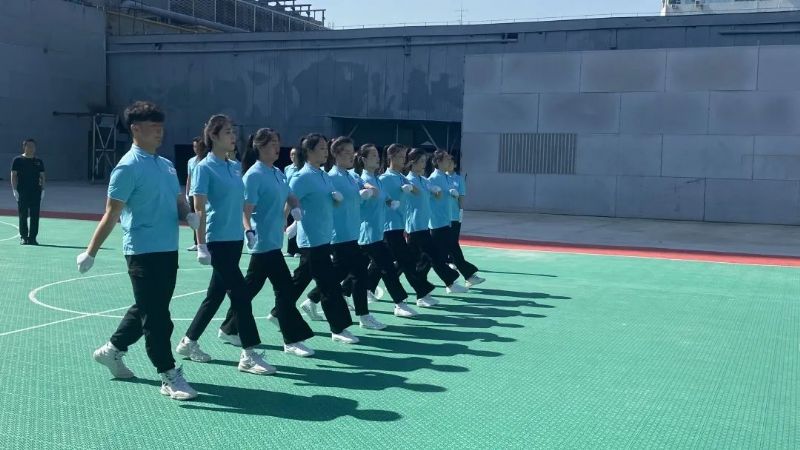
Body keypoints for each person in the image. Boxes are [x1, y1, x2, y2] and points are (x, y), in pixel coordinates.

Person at [78, 101, 199, 400]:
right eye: (154, 127)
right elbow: (111, 213)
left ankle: (112, 350)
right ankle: (168, 374)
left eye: (161, 127)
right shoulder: (127, 168)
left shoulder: (166, 165)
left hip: (168, 249)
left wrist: (189, 214)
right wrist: (91, 252)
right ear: (135, 129)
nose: (160, 133)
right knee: (158, 317)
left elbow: (178, 200)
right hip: (142, 251)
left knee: (148, 307)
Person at [176, 114, 274, 376]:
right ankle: (249, 354)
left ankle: (188, 341)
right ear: (214, 136)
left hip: (234, 239)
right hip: (217, 240)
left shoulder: (234, 166)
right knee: (241, 295)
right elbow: (199, 209)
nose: (233, 136)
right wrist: (201, 244)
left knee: (215, 295)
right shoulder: (204, 168)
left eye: (233, 132)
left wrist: (247, 229)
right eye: (228, 132)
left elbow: (239, 204)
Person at [218, 128, 316, 358]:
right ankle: (291, 339)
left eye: (277, 142)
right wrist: (248, 230)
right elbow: (245, 209)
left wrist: (296, 207)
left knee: (250, 288)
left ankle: (229, 327)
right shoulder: (253, 175)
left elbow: (290, 194)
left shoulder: (277, 172)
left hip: (274, 240)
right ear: (259, 147)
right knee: (285, 289)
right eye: (271, 143)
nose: (276, 147)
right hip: (262, 242)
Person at [303, 137, 386, 330]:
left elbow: (365, 188)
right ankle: (363, 316)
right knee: (357, 274)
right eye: (346, 152)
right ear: (336, 154)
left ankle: (313, 298)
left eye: (352, 152)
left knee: (343, 272)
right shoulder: (331, 177)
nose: (351, 156)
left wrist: (366, 190)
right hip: (338, 234)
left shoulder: (352, 176)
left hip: (351, 233)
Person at [289, 133, 359, 344]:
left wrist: (335, 199)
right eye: (321, 148)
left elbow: (325, 202)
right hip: (311, 239)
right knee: (329, 285)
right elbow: (290, 199)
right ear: (309, 151)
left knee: (299, 281)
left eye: (325, 148)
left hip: (323, 236)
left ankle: (278, 310)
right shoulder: (302, 177)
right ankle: (338, 328)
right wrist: (290, 221)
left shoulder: (323, 175)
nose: (325, 152)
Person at [355, 143, 419, 318]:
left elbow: (385, 198)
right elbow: (356, 202)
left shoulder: (376, 180)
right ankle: (400, 304)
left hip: (377, 232)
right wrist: (363, 194)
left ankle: (316, 297)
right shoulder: (362, 180)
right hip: (367, 234)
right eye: (373, 156)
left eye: (377, 155)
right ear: (363, 159)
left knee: (354, 271)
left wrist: (391, 203)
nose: (377, 158)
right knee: (387, 269)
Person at [375, 144, 437, 307]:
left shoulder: (401, 177)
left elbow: (418, 192)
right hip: (389, 227)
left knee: (381, 264)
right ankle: (421, 294)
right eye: (401, 157)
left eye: (404, 156)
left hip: (400, 225)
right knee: (406, 262)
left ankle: (360, 287)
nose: (404, 160)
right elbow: (379, 200)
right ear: (391, 157)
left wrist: (414, 187)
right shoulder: (384, 179)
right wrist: (389, 202)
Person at [404, 148, 468, 303]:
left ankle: (444, 285)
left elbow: (435, 196)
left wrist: (436, 191)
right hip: (414, 227)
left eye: (424, 161)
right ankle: (426, 292)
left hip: (423, 226)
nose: (424, 164)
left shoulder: (423, 180)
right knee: (411, 263)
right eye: (421, 161)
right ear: (412, 163)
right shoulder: (408, 180)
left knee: (431, 257)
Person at [428, 149, 485, 287]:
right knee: (432, 255)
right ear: (439, 162)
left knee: (448, 250)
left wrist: (458, 210)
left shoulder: (447, 178)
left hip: (447, 220)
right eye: (447, 159)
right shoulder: (433, 179)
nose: (450, 161)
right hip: (438, 222)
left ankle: (465, 277)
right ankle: (463, 277)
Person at [10, 139, 45, 245]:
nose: (31, 149)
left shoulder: (38, 161)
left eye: (33, 146)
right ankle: (24, 237)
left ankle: (33, 238)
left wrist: (43, 190)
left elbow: (42, 176)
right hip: (22, 191)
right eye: (29, 146)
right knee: (23, 215)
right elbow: (13, 175)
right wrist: (14, 190)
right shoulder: (17, 160)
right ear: (24, 147)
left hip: (36, 192)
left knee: (35, 215)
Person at [185, 136, 207, 251]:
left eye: (198, 147)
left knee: (204, 217)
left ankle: (205, 242)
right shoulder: (191, 161)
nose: (196, 149)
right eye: (194, 147)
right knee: (195, 219)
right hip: (192, 193)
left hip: (203, 194)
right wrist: (187, 192)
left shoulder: (206, 161)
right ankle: (197, 242)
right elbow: (189, 177)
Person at [283, 147, 303, 257]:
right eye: (291, 154)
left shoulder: (302, 168)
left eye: (295, 154)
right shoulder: (287, 168)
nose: (293, 156)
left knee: (298, 223)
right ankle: (290, 250)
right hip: (288, 198)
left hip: (299, 199)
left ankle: (299, 250)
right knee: (289, 222)